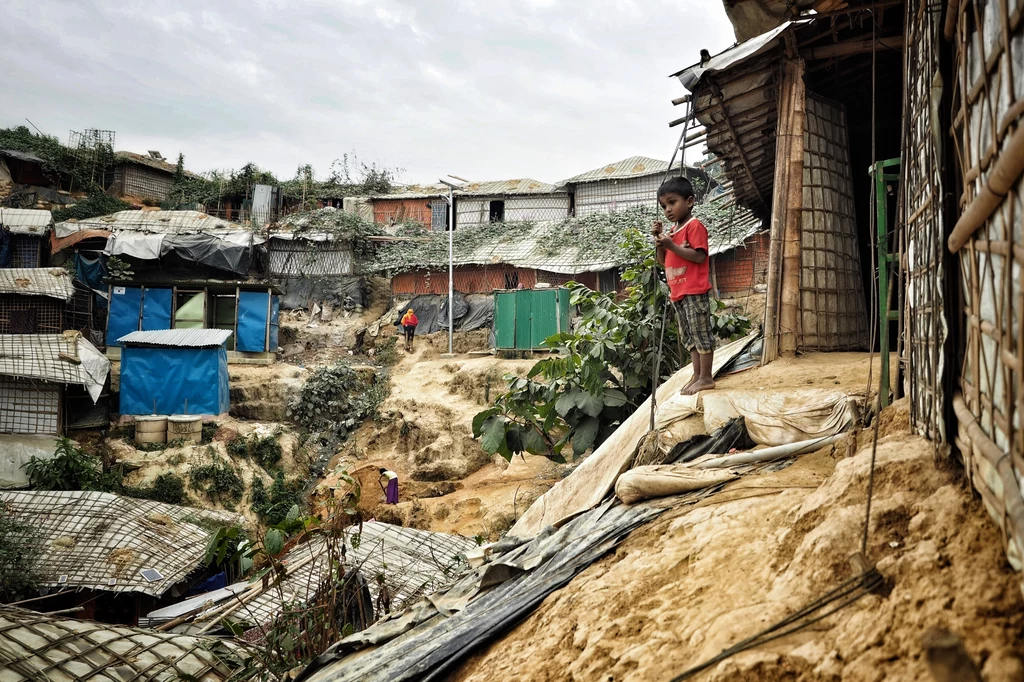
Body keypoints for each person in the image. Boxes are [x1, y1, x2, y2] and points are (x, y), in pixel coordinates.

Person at [652, 177, 715, 395]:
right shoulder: (672, 232)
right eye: (664, 206)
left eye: (672, 202)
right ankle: (697, 375)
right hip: (678, 292)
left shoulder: (694, 226)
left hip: (694, 290)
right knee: (689, 337)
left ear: (689, 202)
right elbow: (663, 260)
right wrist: (661, 241)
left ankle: (706, 377)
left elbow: (698, 257)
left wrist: (672, 245)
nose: (668, 209)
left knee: (701, 333)